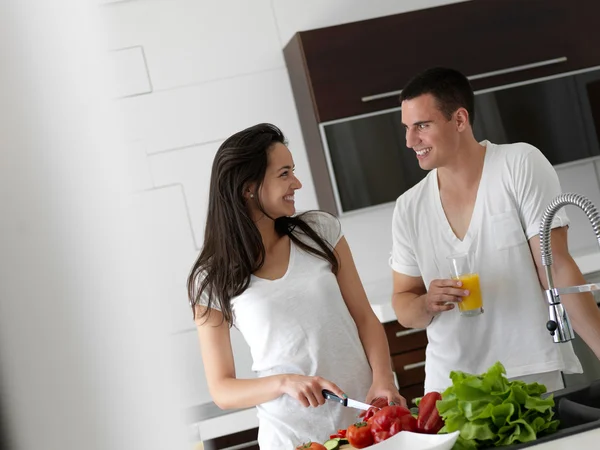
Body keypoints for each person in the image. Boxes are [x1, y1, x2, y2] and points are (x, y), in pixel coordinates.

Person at [188, 123, 404, 449]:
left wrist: (383, 379)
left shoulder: (319, 231)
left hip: (366, 422)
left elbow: (364, 317)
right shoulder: (211, 277)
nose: (296, 183)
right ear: (249, 188)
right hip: (292, 437)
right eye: (284, 174)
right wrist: (285, 382)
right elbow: (222, 389)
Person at [390, 67, 600, 394]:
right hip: (451, 386)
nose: (409, 140)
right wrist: (427, 303)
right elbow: (404, 305)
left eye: (421, 126)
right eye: (406, 128)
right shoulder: (408, 208)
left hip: (531, 372)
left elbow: (556, 267)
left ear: (459, 120)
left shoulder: (519, 165)